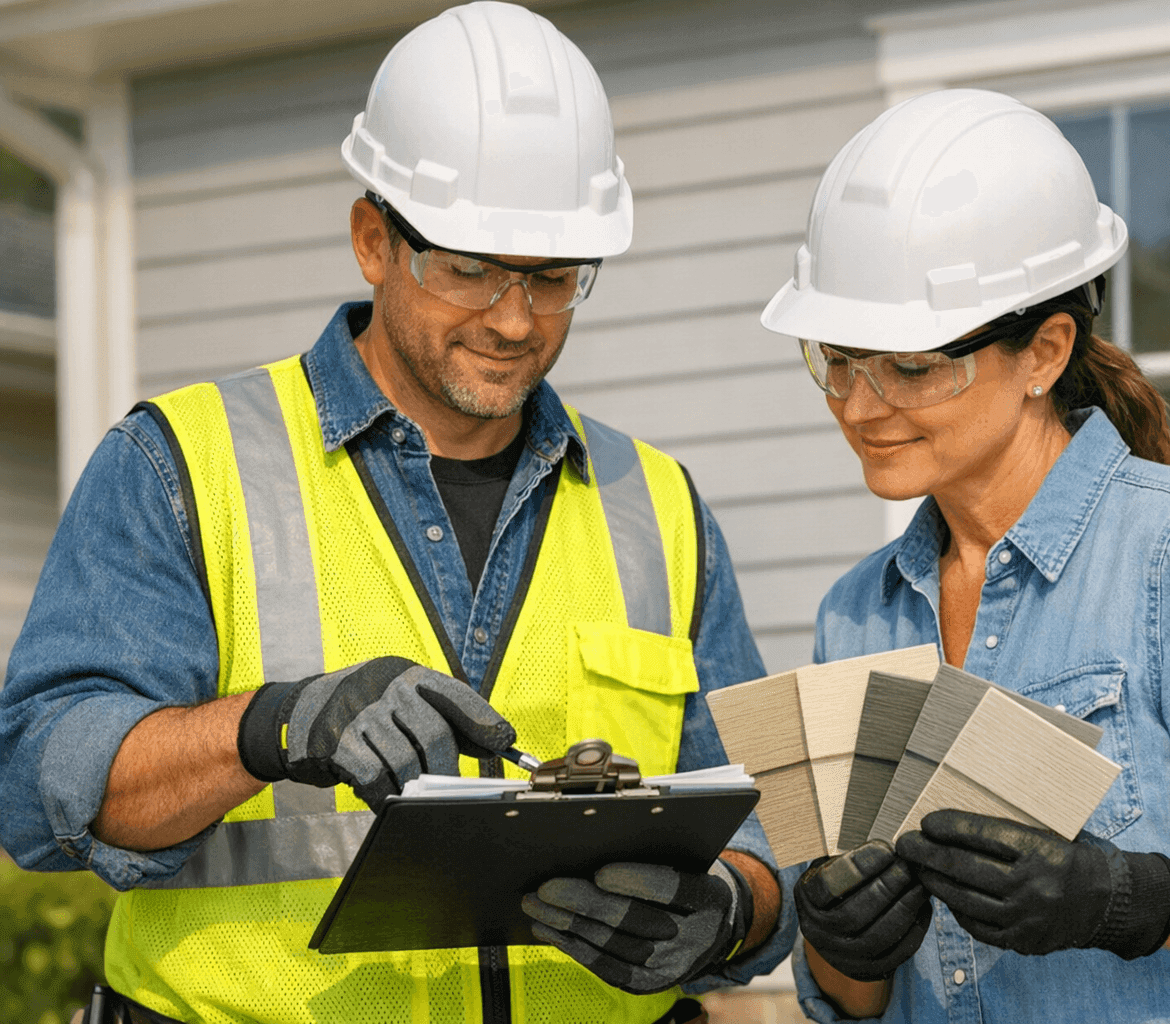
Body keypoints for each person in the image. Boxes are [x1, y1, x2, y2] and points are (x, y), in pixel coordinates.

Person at [0, 5, 790, 1023]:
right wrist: (270, 724)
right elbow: (40, 785)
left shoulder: (658, 506)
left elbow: (767, 825)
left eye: (553, 278)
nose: (515, 319)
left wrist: (728, 911)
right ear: (373, 241)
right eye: (470, 268)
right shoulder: (183, 464)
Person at [757, 89, 1170, 1023]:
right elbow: (854, 999)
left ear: (1045, 352)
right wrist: (841, 948)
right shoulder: (855, 615)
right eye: (837, 359)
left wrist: (1132, 898)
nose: (861, 406)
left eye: (911, 367)